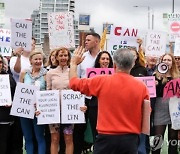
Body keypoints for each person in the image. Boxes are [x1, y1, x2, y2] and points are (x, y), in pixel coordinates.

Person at [69, 47, 150, 154]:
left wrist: (74, 64)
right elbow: (147, 112)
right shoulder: (142, 87)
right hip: (130, 138)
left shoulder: (101, 81)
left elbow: (74, 83)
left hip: (106, 137)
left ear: (115, 64)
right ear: (132, 64)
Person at [74, 32, 101, 154]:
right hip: (84, 97)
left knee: (99, 127)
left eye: (88, 40)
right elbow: (78, 77)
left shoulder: (105, 57)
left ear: (96, 41)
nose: (85, 42)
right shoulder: (82, 57)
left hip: (100, 98)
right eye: (85, 40)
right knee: (80, 127)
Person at [46, 47, 74, 154]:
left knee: (68, 139)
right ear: (56, 57)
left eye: (65, 55)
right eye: (61, 55)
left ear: (68, 57)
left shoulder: (73, 72)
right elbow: (48, 91)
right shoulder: (50, 73)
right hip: (54, 111)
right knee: (54, 139)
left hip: (69, 111)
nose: (63, 58)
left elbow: (77, 91)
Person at [19, 51, 47, 154]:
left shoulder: (46, 74)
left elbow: (48, 92)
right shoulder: (24, 73)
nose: (38, 61)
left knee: (39, 137)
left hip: (39, 111)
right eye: (36, 59)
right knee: (28, 137)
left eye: (40, 59)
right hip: (25, 110)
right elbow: (19, 90)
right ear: (30, 60)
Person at [152, 53, 179, 154]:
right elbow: (154, 94)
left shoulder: (177, 76)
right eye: (164, 60)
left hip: (173, 108)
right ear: (161, 61)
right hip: (160, 107)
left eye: (169, 60)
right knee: (158, 136)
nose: (166, 62)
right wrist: (158, 82)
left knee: (173, 137)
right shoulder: (155, 76)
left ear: (172, 63)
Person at [89, 51, 113, 143]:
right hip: (95, 107)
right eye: (103, 59)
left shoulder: (115, 74)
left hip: (110, 109)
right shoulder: (92, 74)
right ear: (98, 61)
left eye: (107, 59)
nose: (105, 61)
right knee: (96, 135)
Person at [0, 55, 16, 154]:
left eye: (0, 62)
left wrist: (11, 102)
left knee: (3, 143)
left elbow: (16, 95)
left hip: (4, 118)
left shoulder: (8, 78)